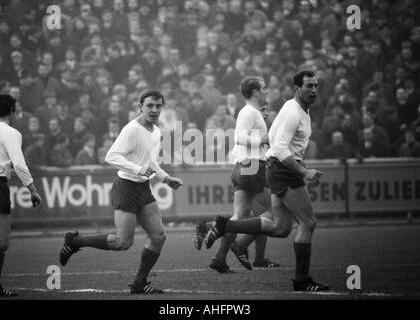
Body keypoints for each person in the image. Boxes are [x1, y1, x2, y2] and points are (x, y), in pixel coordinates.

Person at [201, 71, 329, 292]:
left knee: (279, 226)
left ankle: (223, 236)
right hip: (257, 165)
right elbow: (254, 141)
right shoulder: (260, 112)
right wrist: (303, 170)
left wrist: (268, 126)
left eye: (317, 85)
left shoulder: (278, 111)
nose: (315, 90)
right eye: (310, 86)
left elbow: (276, 141)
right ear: (298, 88)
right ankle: (298, 278)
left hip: (264, 165)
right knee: (305, 222)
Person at [58, 90, 183, 294]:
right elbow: (111, 156)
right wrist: (137, 169)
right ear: (139, 107)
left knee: (159, 236)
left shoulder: (156, 131)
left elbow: (150, 162)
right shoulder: (131, 129)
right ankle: (74, 241)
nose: (154, 110)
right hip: (126, 188)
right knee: (122, 242)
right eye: (149, 105)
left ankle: (139, 283)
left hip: (143, 188)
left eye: (158, 106)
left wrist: (165, 178)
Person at [196, 77, 276, 273]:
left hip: (243, 167)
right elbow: (239, 137)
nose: (267, 91)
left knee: (240, 216)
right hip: (252, 167)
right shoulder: (249, 111)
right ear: (255, 92)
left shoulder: (251, 112)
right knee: (276, 211)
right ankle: (238, 244)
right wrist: (264, 138)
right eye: (264, 88)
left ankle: (219, 257)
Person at [0, 93, 42, 297]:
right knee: (1, 241)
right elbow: (19, 164)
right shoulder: (11, 133)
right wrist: (32, 188)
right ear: (12, 110)